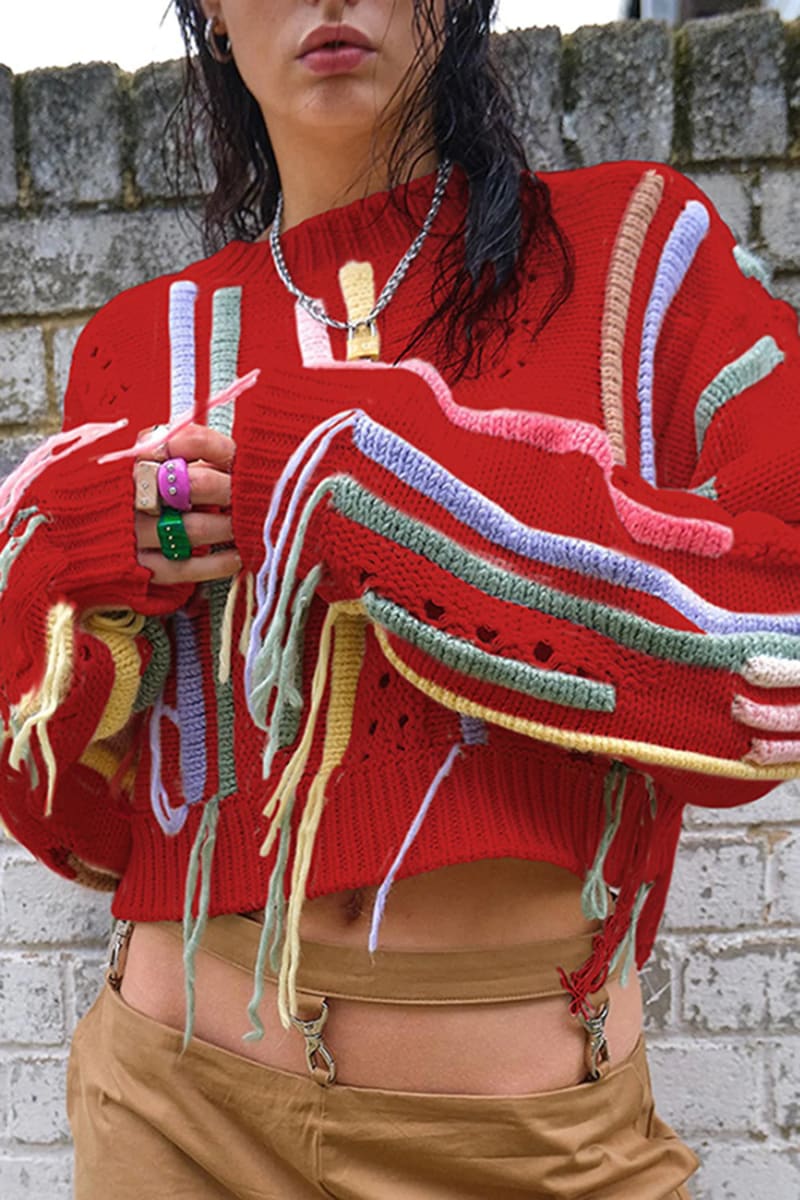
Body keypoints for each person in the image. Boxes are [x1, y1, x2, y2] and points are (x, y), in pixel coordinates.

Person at [2, 1, 799, 1196]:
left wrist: (374, 482)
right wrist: (56, 556)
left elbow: (772, 642)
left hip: (530, 1150)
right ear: (211, 16)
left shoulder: (636, 254)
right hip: (172, 1116)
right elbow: (83, 813)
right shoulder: (135, 343)